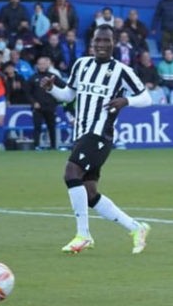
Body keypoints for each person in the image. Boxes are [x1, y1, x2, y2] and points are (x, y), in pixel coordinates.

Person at [40, 24, 152, 254]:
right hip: (81, 132)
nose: (101, 44)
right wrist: (52, 89)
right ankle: (136, 227)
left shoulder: (122, 70)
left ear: (113, 43)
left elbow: (146, 97)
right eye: (97, 40)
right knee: (90, 193)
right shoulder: (81, 65)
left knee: (71, 172)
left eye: (106, 40)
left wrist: (126, 101)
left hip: (100, 134)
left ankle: (83, 235)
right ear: (92, 43)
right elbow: (69, 95)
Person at [26, 57, 60, 150]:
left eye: (44, 64)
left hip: (50, 106)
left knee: (51, 127)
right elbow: (28, 93)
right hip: (38, 107)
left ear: (48, 64)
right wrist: (34, 103)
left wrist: (56, 101)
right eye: (40, 64)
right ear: (37, 65)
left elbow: (64, 87)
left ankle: (53, 146)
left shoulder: (53, 77)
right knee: (37, 127)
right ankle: (36, 146)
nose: (41, 66)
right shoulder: (33, 78)